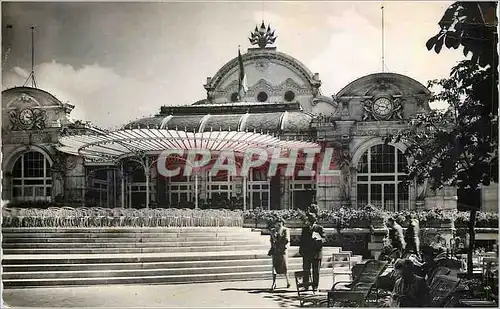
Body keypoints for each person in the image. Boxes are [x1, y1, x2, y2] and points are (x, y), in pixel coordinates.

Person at [299, 212, 326, 292]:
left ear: (313, 220)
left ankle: (315, 286)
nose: (308, 221)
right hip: (307, 253)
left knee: (316, 271)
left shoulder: (319, 228)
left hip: (316, 253)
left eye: (309, 219)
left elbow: (324, 239)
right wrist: (301, 250)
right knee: (306, 270)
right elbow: (302, 241)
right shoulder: (305, 229)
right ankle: (306, 285)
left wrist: (319, 239)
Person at [268, 217, 291, 290]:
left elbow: (286, 240)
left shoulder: (285, 230)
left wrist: (276, 240)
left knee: (285, 267)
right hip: (275, 251)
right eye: (277, 222)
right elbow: (271, 240)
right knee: (274, 267)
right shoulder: (273, 230)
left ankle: (288, 281)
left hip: (282, 250)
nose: (278, 223)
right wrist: (273, 246)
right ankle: (274, 283)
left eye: (280, 222)